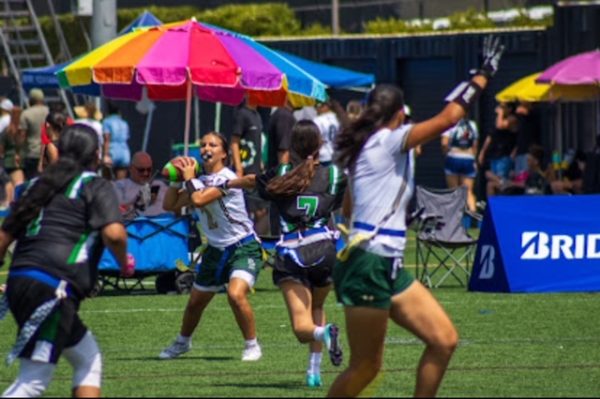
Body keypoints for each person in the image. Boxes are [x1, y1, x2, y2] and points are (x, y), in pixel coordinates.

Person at [327, 36, 503, 397]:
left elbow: (348, 206)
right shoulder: (387, 140)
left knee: (444, 340)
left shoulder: (368, 144)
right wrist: (483, 75)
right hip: (370, 264)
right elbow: (450, 116)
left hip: (383, 263)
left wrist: (469, 78)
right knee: (365, 366)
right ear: (398, 116)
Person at [0, 124, 130, 398]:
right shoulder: (93, 184)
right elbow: (115, 235)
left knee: (88, 358)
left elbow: (4, 235)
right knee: (33, 381)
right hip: (53, 286)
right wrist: (123, 263)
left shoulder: (35, 185)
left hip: (20, 281)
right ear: (95, 155)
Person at [226, 120, 346, 387]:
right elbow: (339, 203)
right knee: (317, 306)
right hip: (325, 250)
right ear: (320, 144)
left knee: (303, 329)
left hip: (293, 251)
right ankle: (313, 372)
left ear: (292, 147)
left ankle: (325, 333)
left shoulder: (281, 172)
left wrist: (225, 184)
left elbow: (249, 181)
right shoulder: (334, 175)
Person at [158, 131, 264, 362]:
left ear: (224, 153)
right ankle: (182, 343)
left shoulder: (227, 179)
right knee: (195, 302)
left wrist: (188, 179)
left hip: (243, 247)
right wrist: (177, 179)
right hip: (216, 250)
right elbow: (170, 204)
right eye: (203, 144)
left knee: (235, 295)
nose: (206, 148)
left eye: (213, 145)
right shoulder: (200, 180)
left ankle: (252, 345)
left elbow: (198, 199)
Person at [230, 100, 269, 234]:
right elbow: (234, 142)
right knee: (250, 209)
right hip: (245, 171)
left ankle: (256, 237)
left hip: (257, 169)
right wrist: (238, 168)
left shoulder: (257, 115)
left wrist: (261, 163)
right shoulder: (242, 114)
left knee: (261, 209)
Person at [112, 151, 169, 218]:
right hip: (134, 224)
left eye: (149, 169)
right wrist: (137, 203)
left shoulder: (160, 185)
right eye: (141, 170)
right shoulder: (120, 186)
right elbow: (117, 211)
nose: (145, 173)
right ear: (131, 168)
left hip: (165, 223)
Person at [478, 102, 518, 197]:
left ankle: (504, 184)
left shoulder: (512, 119)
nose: (500, 108)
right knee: (490, 182)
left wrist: (500, 113)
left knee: (499, 183)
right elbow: (490, 136)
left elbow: (500, 126)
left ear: (509, 109)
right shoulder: (497, 120)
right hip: (494, 155)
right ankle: (491, 207)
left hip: (504, 155)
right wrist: (482, 152)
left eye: (503, 107)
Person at [441, 118, 479, 211]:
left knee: (454, 191)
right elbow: (475, 145)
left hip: (453, 156)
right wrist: (474, 159)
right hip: (468, 158)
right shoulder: (472, 124)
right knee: (469, 191)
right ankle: (473, 219)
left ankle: (456, 218)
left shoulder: (449, 123)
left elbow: (444, 143)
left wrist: (446, 154)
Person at [18, 88, 49, 180]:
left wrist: (19, 152)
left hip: (31, 152)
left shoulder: (26, 114)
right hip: (48, 151)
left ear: (31, 99)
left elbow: (22, 135)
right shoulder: (49, 111)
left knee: (31, 180)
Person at [0, 106, 25, 206]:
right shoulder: (23, 130)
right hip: (20, 161)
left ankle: (9, 203)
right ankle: (15, 204)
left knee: (9, 183)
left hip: (8, 160)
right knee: (19, 185)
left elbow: (1, 147)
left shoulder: (7, 130)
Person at [102, 101, 131, 180]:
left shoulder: (107, 122)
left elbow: (107, 139)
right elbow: (126, 138)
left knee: (107, 182)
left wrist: (105, 155)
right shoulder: (124, 123)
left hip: (112, 151)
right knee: (121, 183)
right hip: (124, 152)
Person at [512, 101, 540, 176]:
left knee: (526, 175)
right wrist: (515, 150)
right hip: (520, 151)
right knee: (518, 176)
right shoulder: (522, 119)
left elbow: (520, 110)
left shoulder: (532, 114)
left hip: (528, 151)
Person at [313, 100, 342, 166]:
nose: (316, 109)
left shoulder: (318, 120)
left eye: (318, 106)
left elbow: (316, 140)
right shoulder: (339, 118)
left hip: (322, 156)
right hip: (337, 154)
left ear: (325, 106)